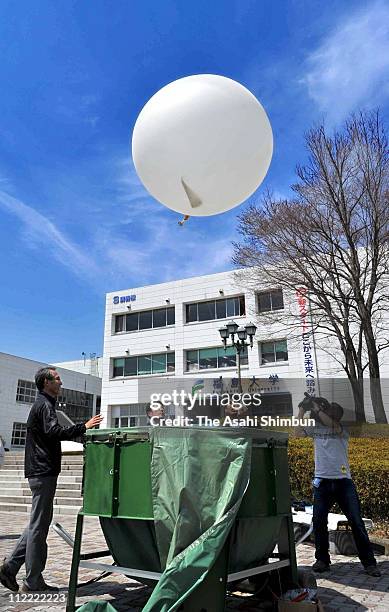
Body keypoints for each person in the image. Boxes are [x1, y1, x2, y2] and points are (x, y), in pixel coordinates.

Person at [0, 367, 103, 593]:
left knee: (38, 523)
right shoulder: (44, 405)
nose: (61, 382)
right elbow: (54, 431)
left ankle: (10, 567)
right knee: (39, 527)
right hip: (42, 471)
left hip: (41, 471)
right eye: (57, 379)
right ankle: (33, 581)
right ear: (46, 383)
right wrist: (83, 427)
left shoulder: (44, 404)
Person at [297, 395, 381, 577]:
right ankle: (322, 560)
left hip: (343, 482)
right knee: (319, 522)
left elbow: (332, 425)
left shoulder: (341, 430)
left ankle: (369, 563)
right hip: (322, 481)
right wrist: (302, 410)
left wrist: (317, 408)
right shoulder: (316, 430)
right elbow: (297, 432)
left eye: (329, 410)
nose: (325, 412)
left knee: (356, 522)